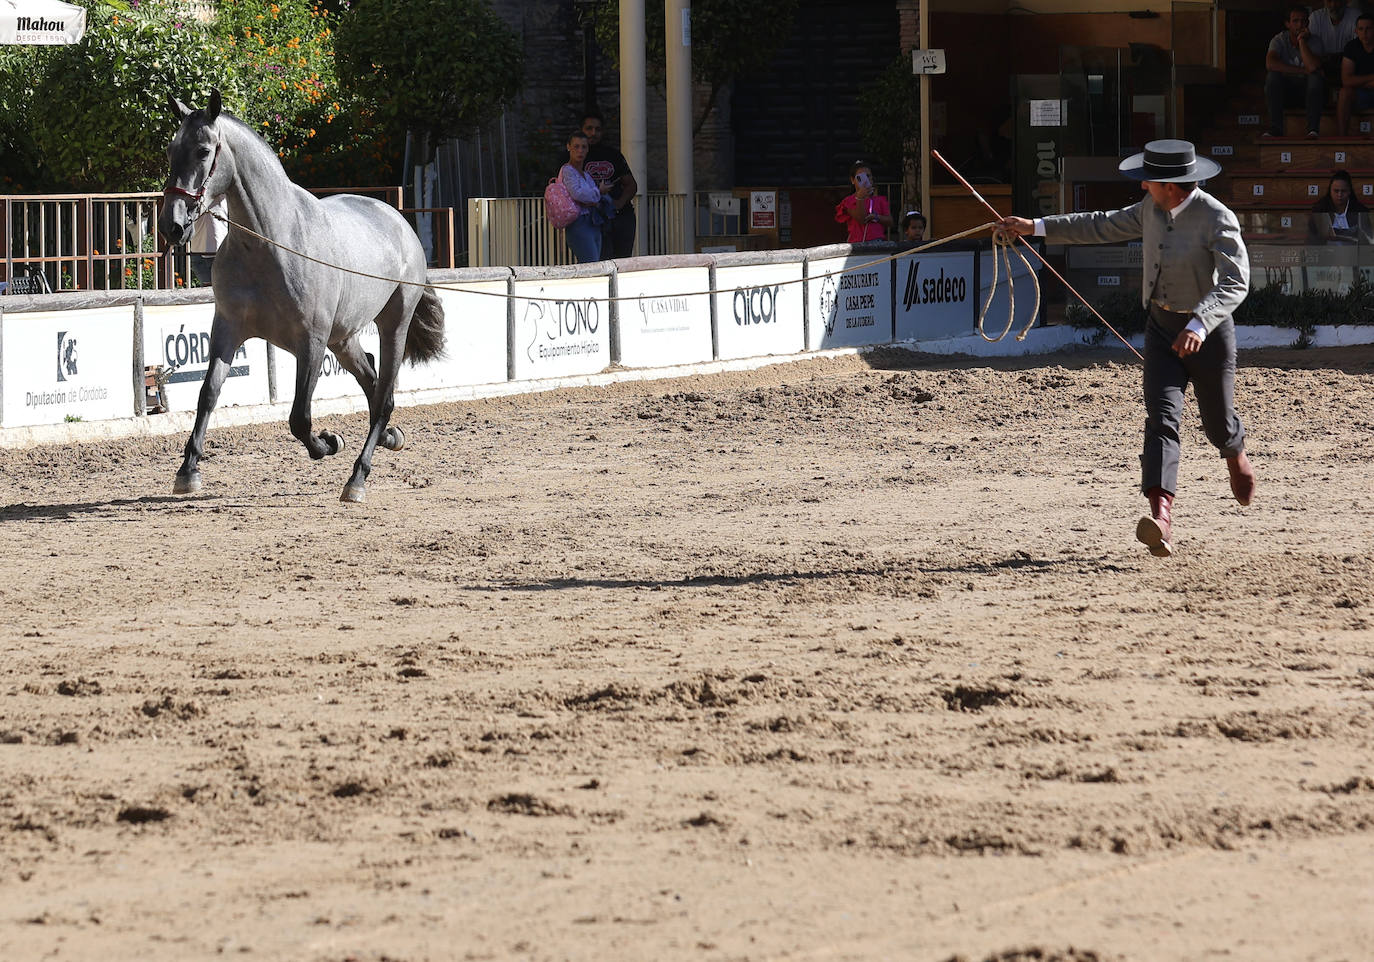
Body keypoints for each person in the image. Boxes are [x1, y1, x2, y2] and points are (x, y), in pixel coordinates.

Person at [996, 139, 1256, 559]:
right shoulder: (1149, 210)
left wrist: (1200, 322)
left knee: (1217, 423)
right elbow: (1099, 224)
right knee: (1161, 418)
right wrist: (1035, 226)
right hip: (1161, 328)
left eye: (1147, 180)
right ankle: (1162, 518)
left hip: (1208, 335)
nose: (1141, 187)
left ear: (1171, 186)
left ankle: (1233, 449)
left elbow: (1235, 281)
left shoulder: (1216, 217)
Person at [560, 109, 638, 258]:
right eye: (589, 129)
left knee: (622, 262)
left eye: (598, 129)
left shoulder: (612, 154)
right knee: (597, 263)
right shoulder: (570, 164)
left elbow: (631, 184)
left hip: (619, 216)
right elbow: (574, 192)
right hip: (591, 220)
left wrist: (618, 204)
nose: (593, 133)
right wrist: (598, 193)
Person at [1264, 5, 1326, 139]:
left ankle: (1313, 130)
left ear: (1308, 23)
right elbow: (1270, 64)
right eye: (1295, 21)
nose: (1300, 24)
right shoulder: (1279, 39)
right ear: (1287, 24)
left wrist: (1302, 41)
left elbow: (1313, 67)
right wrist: (1304, 71)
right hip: (1287, 93)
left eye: (1303, 21)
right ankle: (1276, 129)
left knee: (1315, 79)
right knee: (1272, 77)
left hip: (1309, 93)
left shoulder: (1315, 41)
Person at [558, 130, 612, 263]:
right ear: (568, 147)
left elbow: (590, 197)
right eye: (576, 146)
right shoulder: (567, 171)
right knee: (591, 263)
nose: (580, 151)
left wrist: (594, 196)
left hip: (593, 221)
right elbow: (577, 194)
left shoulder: (586, 175)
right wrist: (598, 192)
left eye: (584, 147)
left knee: (595, 262)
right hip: (578, 222)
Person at [1307, 168, 1372, 242]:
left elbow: (1367, 241)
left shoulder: (1361, 211)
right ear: (1330, 191)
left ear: (1349, 191)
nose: (1339, 195)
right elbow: (1312, 240)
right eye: (1336, 191)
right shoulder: (1319, 210)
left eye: (1343, 191)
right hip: (1326, 252)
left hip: (1353, 252)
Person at [834, 160, 892, 242]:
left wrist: (876, 217)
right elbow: (861, 219)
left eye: (868, 176)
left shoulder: (880, 200)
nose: (866, 180)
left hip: (878, 242)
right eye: (860, 178)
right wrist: (860, 198)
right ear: (853, 180)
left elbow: (890, 221)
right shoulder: (848, 201)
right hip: (857, 243)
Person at [1308, 0, 1361, 85]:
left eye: (1337, 1)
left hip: (1349, 66)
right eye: (1329, 1)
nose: (1333, 5)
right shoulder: (1316, 17)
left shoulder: (1355, 16)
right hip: (1322, 66)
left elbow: (1358, 49)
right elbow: (1313, 54)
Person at [1338, 14, 1374, 136]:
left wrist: (1359, 81)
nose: (1364, 33)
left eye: (1368, 28)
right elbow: (1346, 80)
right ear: (1356, 31)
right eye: (1361, 29)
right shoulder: (1352, 47)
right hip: (1360, 93)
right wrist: (1371, 78)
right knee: (1344, 93)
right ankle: (1342, 138)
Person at [189, 197, 228, 287]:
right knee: (213, 292)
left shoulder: (223, 195)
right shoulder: (194, 195)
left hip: (215, 252)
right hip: (200, 253)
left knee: (216, 291)